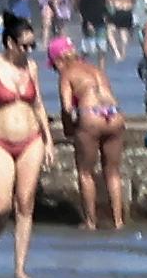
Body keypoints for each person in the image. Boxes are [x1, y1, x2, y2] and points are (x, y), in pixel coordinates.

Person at [0, 14, 50, 278]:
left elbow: (37, 104)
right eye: (24, 45)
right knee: (1, 205)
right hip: (0, 142)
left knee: (25, 203)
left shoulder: (32, 68)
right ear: (9, 43)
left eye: (32, 46)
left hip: (31, 140)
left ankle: (19, 267)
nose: (29, 51)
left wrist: (48, 140)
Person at [50, 36, 126, 232]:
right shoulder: (95, 69)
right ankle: (118, 221)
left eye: (54, 66)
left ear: (59, 60)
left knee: (85, 173)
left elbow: (67, 108)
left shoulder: (67, 73)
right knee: (113, 172)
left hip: (90, 116)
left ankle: (91, 222)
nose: (55, 70)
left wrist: (69, 128)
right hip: (115, 115)